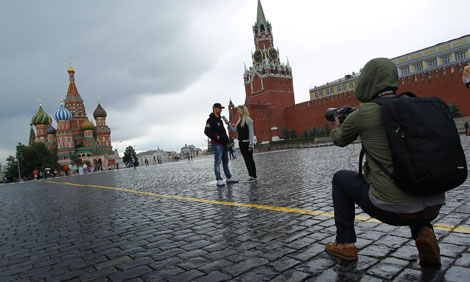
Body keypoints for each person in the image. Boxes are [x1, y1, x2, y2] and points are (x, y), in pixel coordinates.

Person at [325, 58, 445, 266]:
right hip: (434, 207)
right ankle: (424, 232)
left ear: (367, 82)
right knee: (414, 171)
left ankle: (345, 244)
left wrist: (337, 123)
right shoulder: (414, 105)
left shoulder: (364, 113)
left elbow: (339, 140)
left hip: (393, 210)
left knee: (340, 179)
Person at [204, 103, 239, 187]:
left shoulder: (220, 120)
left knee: (226, 161)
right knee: (217, 162)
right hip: (217, 144)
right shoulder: (210, 120)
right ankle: (219, 179)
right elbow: (206, 131)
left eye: (221, 108)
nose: (221, 110)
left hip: (224, 144)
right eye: (219, 108)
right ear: (214, 108)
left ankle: (228, 178)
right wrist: (216, 137)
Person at [226, 105, 257, 182]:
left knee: (250, 159)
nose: (237, 111)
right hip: (241, 144)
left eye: (239, 110)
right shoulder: (239, 121)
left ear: (243, 111)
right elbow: (234, 131)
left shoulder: (248, 120)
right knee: (246, 160)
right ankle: (251, 175)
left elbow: (251, 133)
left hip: (247, 143)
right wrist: (229, 124)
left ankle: (254, 175)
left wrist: (251, 144)